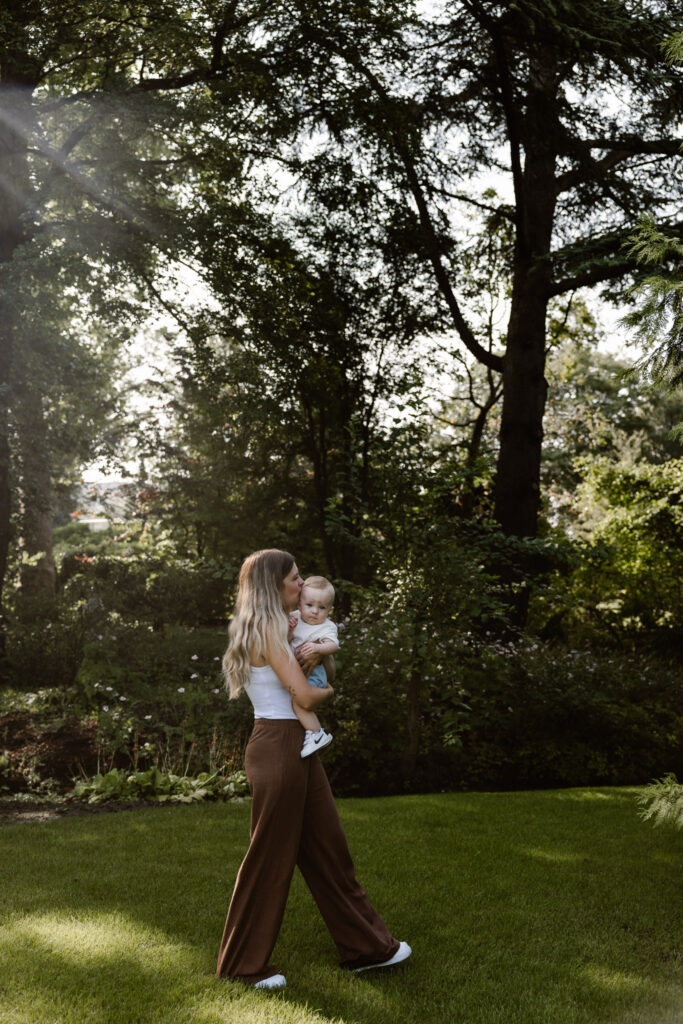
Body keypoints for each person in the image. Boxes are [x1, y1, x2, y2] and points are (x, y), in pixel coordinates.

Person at [216, 549, 411, 990]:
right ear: (274, 585)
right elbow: (304, 697)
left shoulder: (282, 626)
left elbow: (311, 664)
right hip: (279, 746)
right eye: (295, 578)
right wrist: (331, 691)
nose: (302, 585)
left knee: (328, 849)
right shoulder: (267, 628)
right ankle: (241, 967)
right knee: (269, 859)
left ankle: (366, 949)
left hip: (296, 746)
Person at [288, 575, 338, 758]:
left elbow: (333, 645)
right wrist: (290, 631)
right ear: (300, 605)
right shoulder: (293, 618)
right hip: (297, 671)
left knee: (299, 702)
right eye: (309, 605)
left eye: (322, 607)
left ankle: (316, 734)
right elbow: (286, 642)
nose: (315, 611)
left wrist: (318, 648)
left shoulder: (327, 627)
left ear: (329, 610)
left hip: (315, 673)